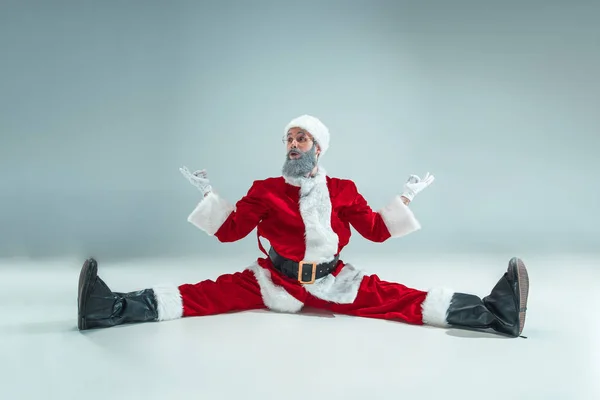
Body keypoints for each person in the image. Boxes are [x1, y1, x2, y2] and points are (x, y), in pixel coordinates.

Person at [77, 114, 529, 338]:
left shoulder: (344, 189)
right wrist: (208, 196)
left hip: (333, 282)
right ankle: (107, 308)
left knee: (403, 300)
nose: (293, 145)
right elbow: (231, 230)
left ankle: (496, 313)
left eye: (301, 138)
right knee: (200, 295)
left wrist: (406, 197)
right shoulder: (265, 188)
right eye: (288, 139)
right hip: (271, 281)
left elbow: (374, 230)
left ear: (319, 147)